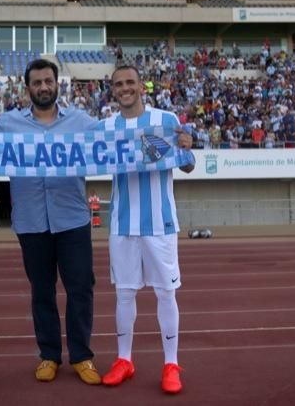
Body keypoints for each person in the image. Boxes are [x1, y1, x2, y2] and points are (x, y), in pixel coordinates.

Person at [0, 59, 101, 385]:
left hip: (73, 220)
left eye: (48, 81)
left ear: (57, 85)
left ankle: (82, 356)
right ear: (27, 88)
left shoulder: (82, 122)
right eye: (37, 83)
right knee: (42, 292)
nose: (43, 87)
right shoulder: (5, 124)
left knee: (80, 290)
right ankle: (49, 356)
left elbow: (118, 140)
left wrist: (167, 135)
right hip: (31, 223)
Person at [97, 65, 194, 394]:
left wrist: (185, 144)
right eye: (118, 84)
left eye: (130, 82)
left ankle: (171, 363)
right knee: (124, 293)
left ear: (141, 86)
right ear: (112, 90)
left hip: (159, 223)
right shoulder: (105, 126)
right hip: (122, 223)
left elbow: (189, 164)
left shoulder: (165, 120)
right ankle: (124, 359)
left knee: (166, 293)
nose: (124, 88)